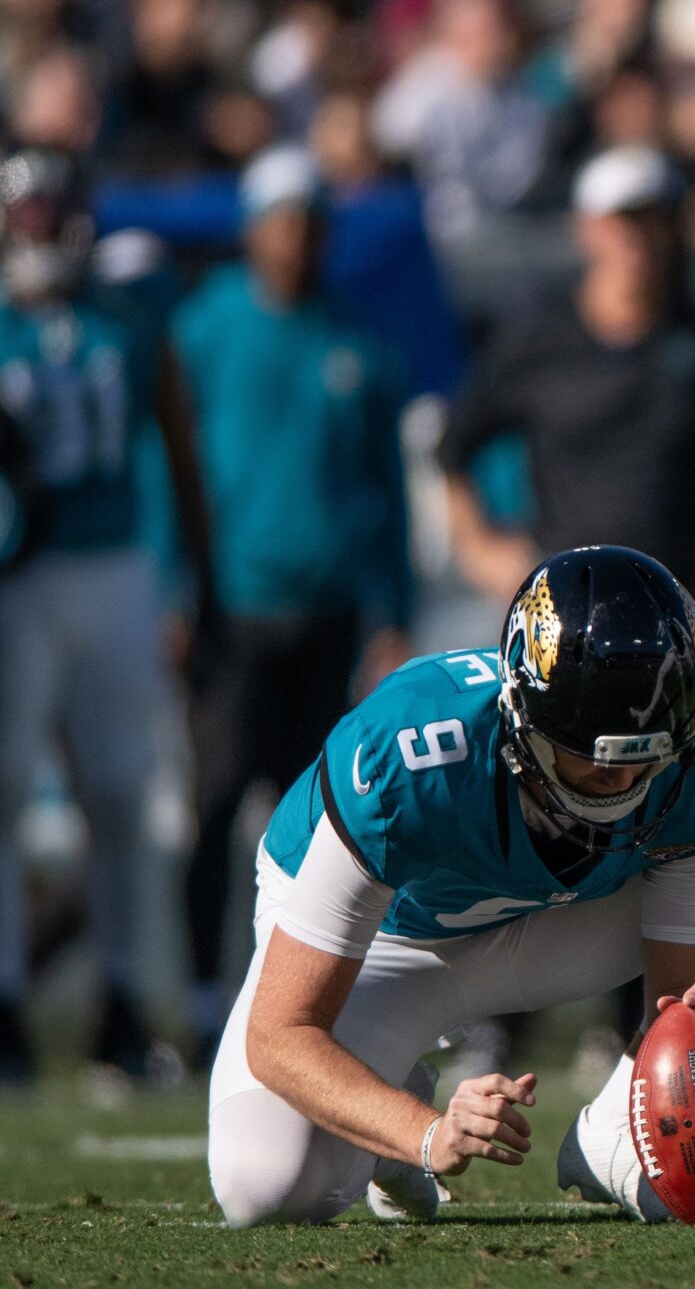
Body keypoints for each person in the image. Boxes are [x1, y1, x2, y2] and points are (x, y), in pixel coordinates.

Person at [203, 545, 695, 1225]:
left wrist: (692, 1032)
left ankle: (619, 1124)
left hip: (562, 923)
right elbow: (282, 1034)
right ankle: (388, 1103)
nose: (626, 783)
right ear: (523, 716)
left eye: (649, 758)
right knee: (265, 1184)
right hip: (392, 947)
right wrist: (424, 1133)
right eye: (597, 759)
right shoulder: (411, 757)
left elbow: (677, 992)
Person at [174, 148, 414, 1049]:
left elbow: (385, 489)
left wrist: (391, 609)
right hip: (232, 611)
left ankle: (290, 1005)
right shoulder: (206, 330)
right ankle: (203, 1002)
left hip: (330, 612)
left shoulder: (361, 343)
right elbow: (176, 473)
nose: (297, 239)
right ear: (251, 230)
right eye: (282, 220)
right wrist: (175, 587)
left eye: (311, 222)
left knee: (314, 824)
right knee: (215, 800)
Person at [0, 148, 212, 1081]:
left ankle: (121, 1001)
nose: (42, 233)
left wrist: (194, 576)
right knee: (3, 788)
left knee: (123, 795)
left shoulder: (126, 323)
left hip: (117, 566)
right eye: (28, 214)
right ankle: (5, 998)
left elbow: (176, 441)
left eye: (54, 213)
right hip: (18, 578)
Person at [437, 146, 695, 602]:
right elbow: (453, 445)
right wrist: (478, 548)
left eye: (652, 220)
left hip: (677, 604)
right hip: (564, 604)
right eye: (621, 221)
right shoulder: (538, 344)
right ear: (586, 229)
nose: (637, 239)